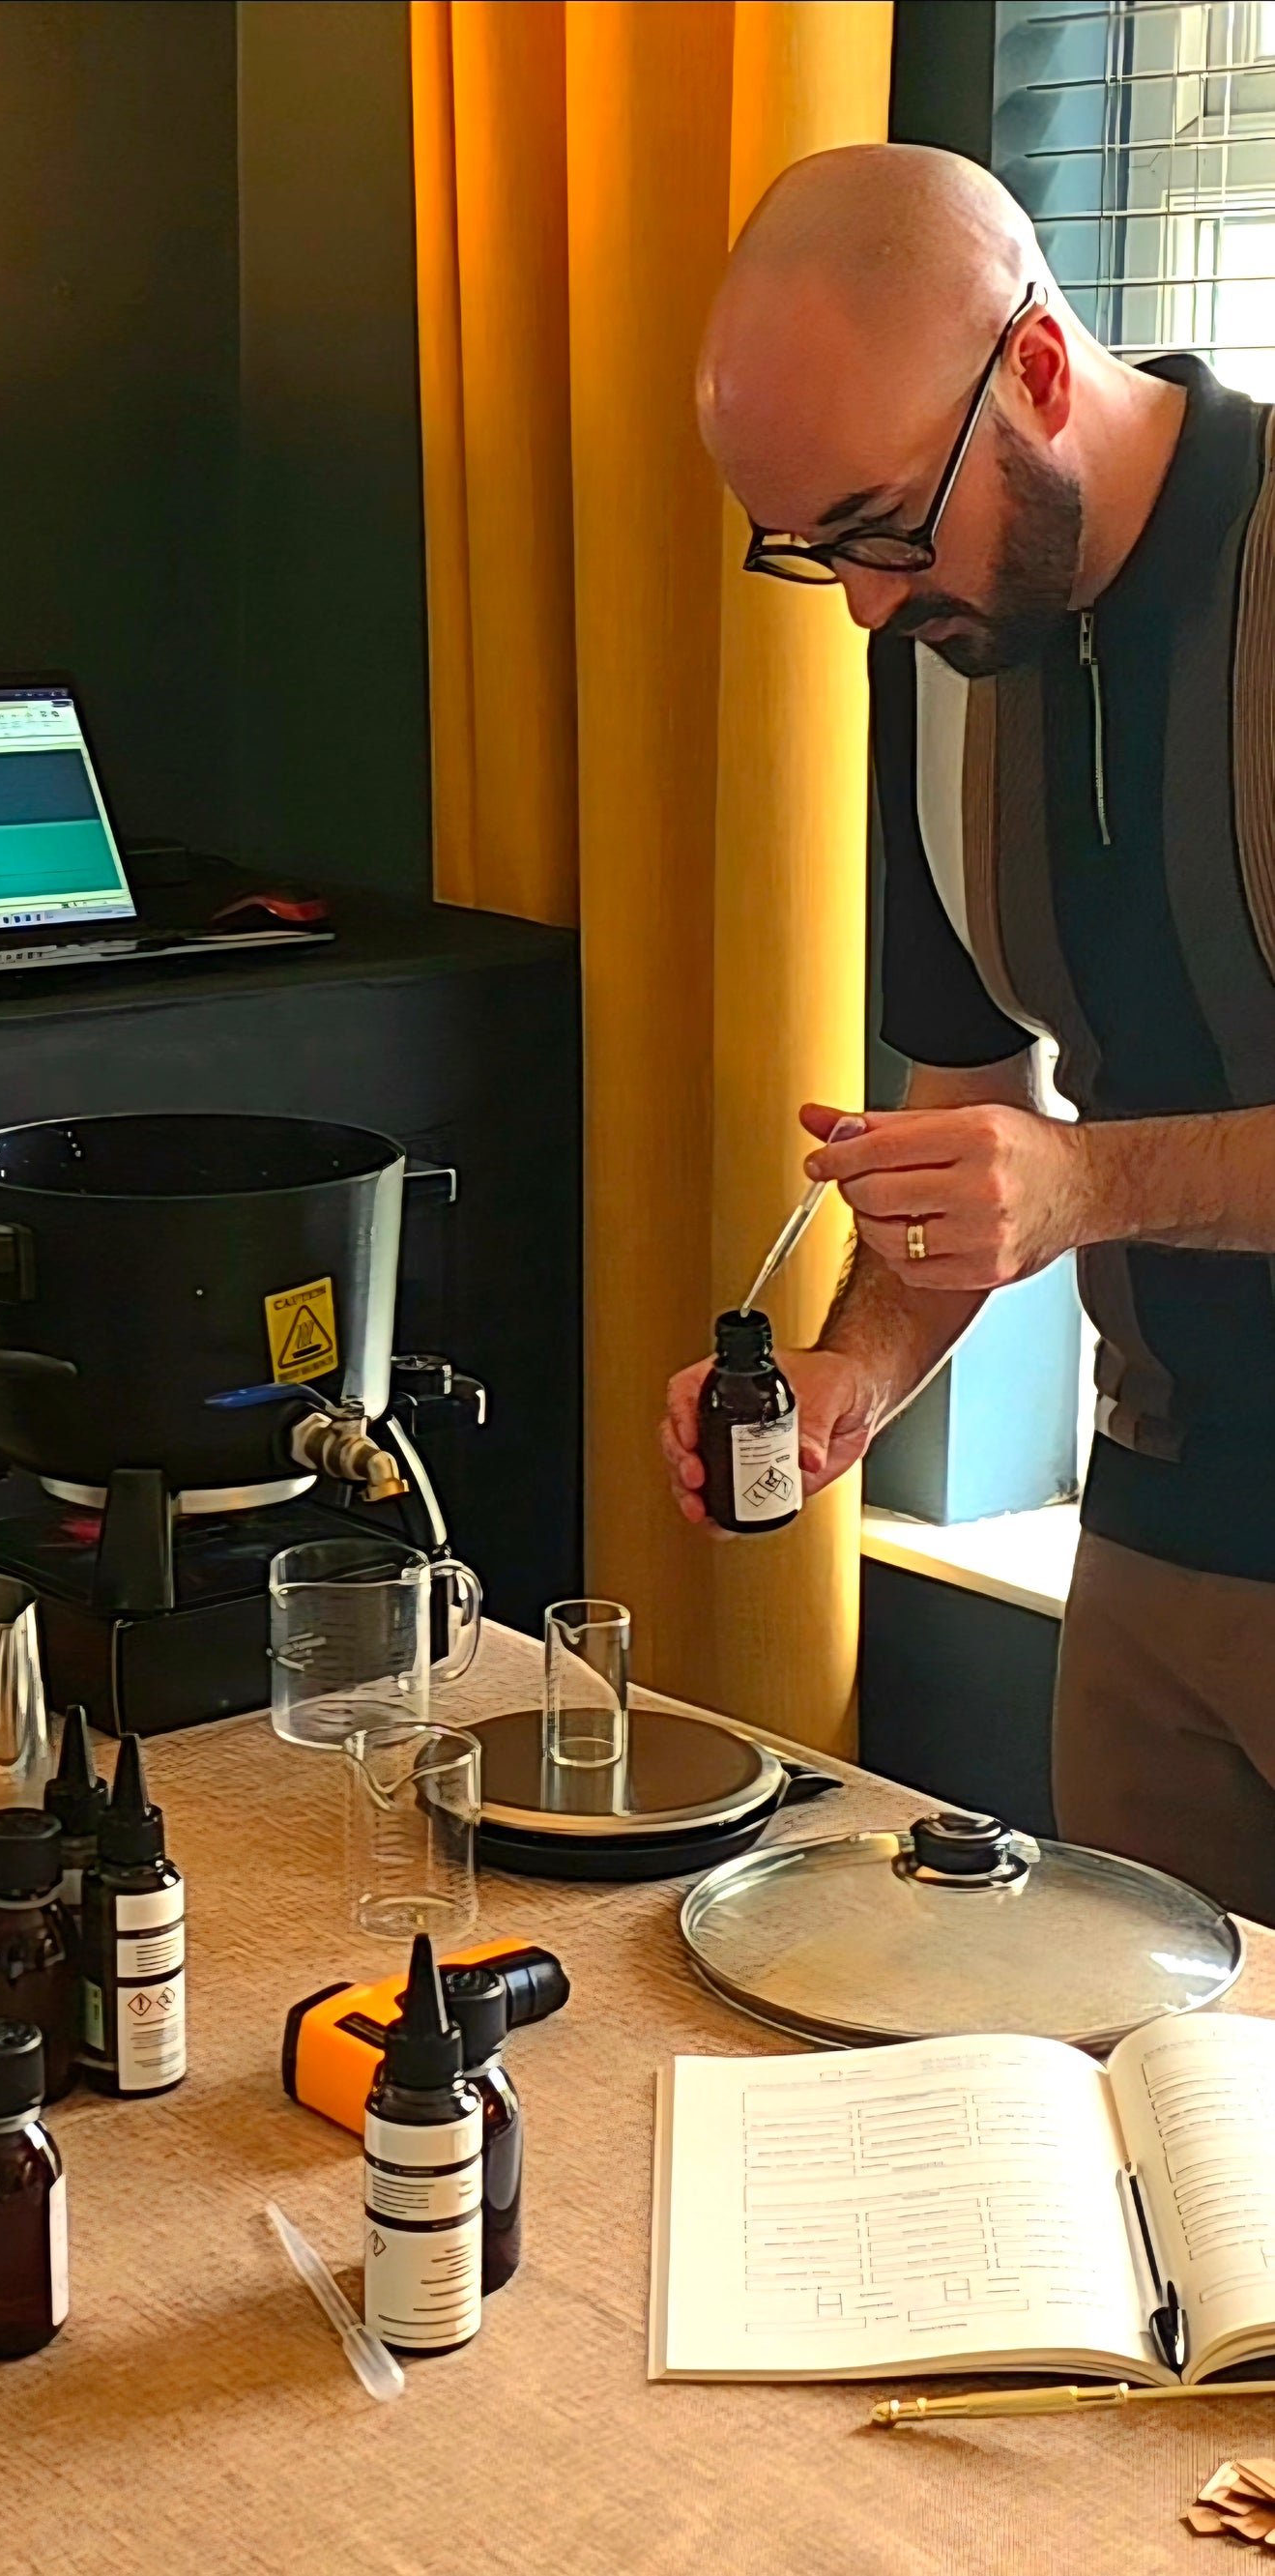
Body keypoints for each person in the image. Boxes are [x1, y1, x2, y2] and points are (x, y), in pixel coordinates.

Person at [660, 141, 1275, 1921]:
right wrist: (851, 1377)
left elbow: (1054, 1175)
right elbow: (968, 1108)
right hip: (1152, 1554)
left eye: (882, 527)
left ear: (1039, 367)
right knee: (1120, 2082)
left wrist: (1085, 1184)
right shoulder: (943, 660)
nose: (867, 602)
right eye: (813, 551)